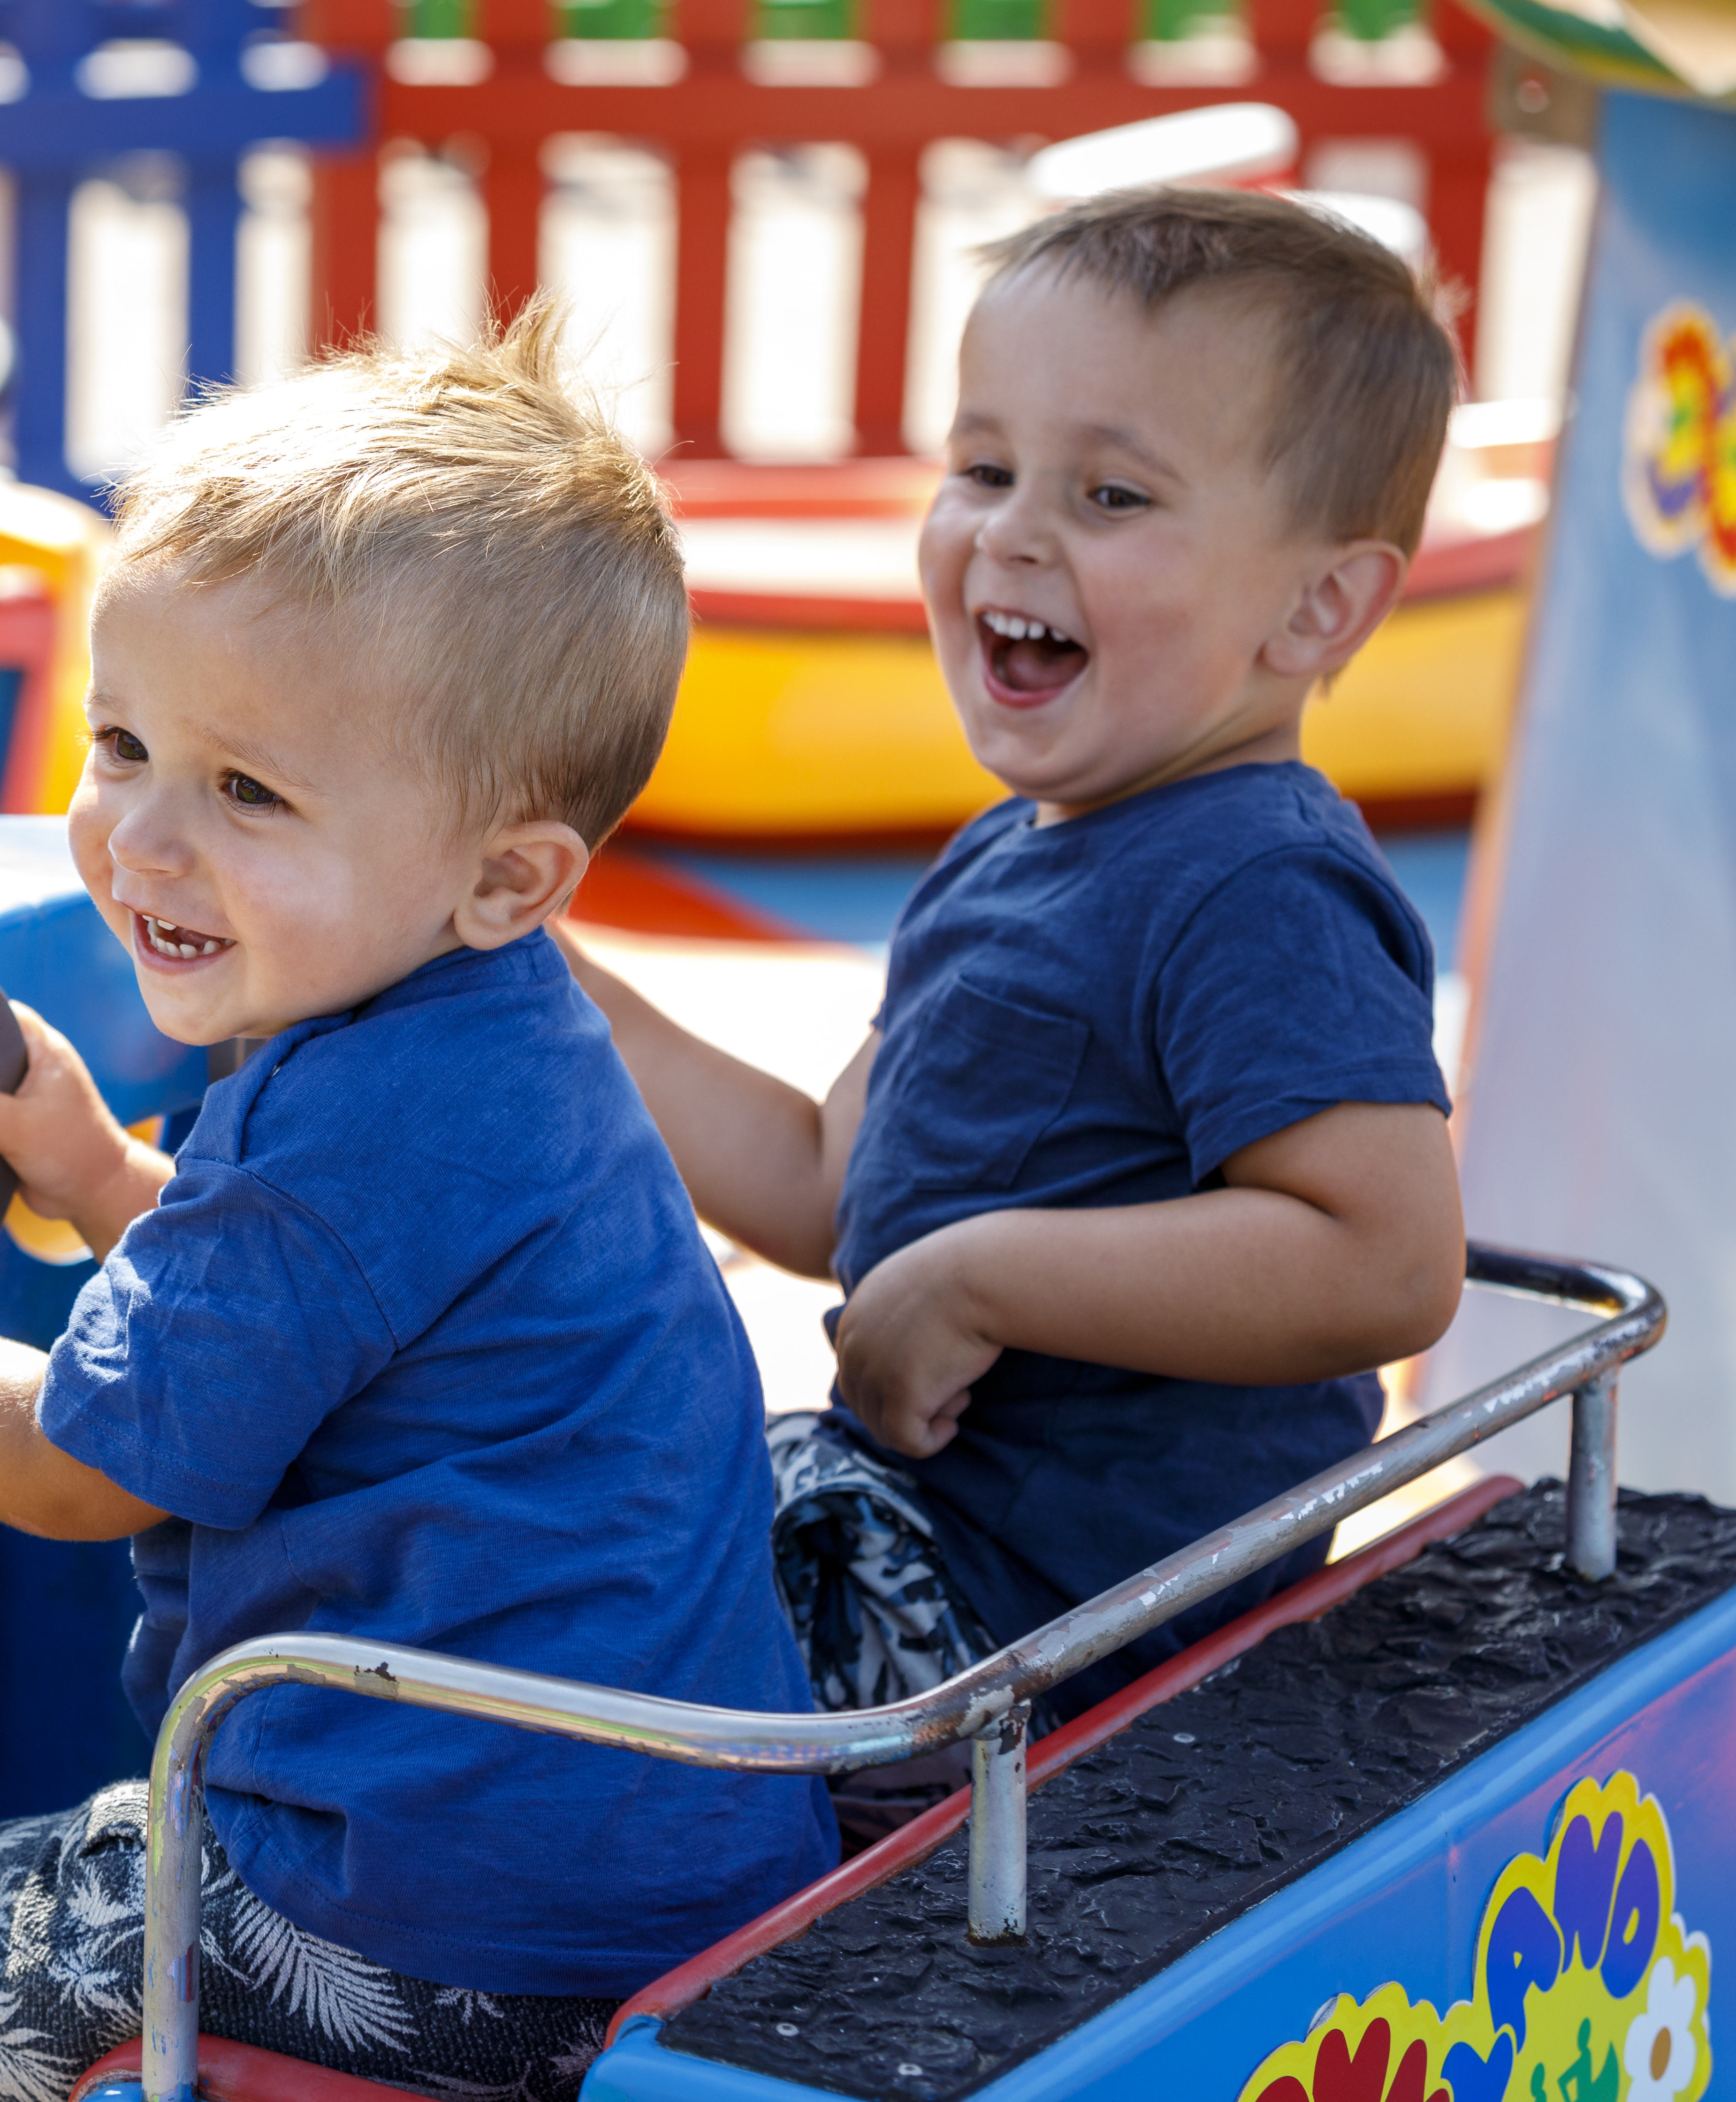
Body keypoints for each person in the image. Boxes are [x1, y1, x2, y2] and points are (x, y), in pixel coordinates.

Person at [0, 302, 836, 2102]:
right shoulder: (493, 1031)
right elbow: (345, 1331)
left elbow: (77, 1467)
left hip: (436, 1912)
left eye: (248, 790)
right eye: (122, 742)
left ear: (506, 872)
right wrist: (103, 1182)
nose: (141, 840)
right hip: (669, 1843)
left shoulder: (345, 1125)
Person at [573, 187, 1470, 1769]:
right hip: (912, 1546)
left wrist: (982, 1276)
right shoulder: (1015, 851)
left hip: (1035, 1628)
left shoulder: (1256, 880)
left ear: (1319, 604)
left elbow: (1384, 1263)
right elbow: (817, 1184)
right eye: (983, 469)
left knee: (529, 1565)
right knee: (533, 1474)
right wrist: (544, 974)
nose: (1014, 529)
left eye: (1113, 493)